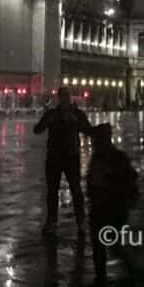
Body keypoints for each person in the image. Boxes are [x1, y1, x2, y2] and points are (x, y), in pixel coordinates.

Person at [86, 123, 139, 287]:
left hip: (112, 208)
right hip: (99, 207)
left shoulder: (116, 158)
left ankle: (130, 273)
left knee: (110, 245)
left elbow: (130, 179)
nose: (93, 143)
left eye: (96, 140)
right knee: (101, 247)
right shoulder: (98, 157)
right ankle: (102, 281)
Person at [33, 87, 93, 237]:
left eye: (67, 96)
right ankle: (53, 222)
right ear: (59, 98)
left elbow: (88, 130)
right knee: (54, 191)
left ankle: (80, 222)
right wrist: (47, 119)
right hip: (56, 157)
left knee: (75, 190)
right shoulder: (54, 114)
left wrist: (78, 122)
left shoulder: (76, 114)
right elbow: (38, 129)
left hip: (69, 157)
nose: (65, 99)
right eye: (63, 96)